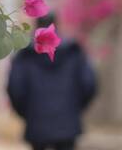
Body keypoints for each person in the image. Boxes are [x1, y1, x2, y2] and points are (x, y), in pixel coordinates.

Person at [7, 12, 98, 150]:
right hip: (68, 124)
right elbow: (89, 83)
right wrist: (75, 109)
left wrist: (27, 113)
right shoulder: (74, 51)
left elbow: (15, 88)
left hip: (36, 124)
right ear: (55, 25)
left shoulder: (24, 55)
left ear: (36, 25)